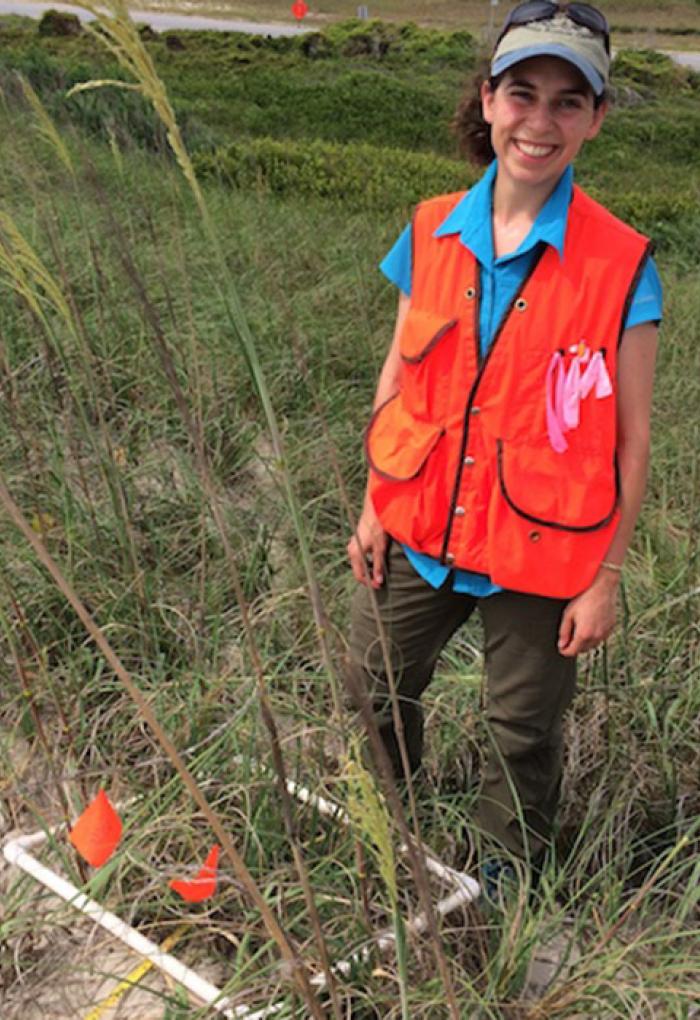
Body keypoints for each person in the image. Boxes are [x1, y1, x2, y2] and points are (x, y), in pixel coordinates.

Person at [344, 0, 662, 886]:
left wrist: (605, 578)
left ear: (596, 119)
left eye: (569, 101)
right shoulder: (430, 226)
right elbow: (398, 381)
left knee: (519, 731)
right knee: (373, 681)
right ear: (488, 100)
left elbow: (632, 442)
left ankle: (501, 894)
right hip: (418, 519)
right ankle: (398, 846)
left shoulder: (624, 263)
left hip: (541, 543)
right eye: (523, 93)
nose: (541, 121)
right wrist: (374, 501)